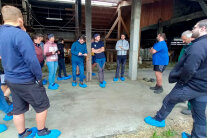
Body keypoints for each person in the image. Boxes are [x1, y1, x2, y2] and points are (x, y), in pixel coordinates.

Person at [0, 5, 61, 138]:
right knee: (42, 105)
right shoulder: (20, 35)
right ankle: (42, 132)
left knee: (18, 108)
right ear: (20, 19)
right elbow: (31, 60)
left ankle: (23, 134)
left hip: (11, 78)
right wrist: (39, 77)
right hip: (26, 78)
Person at [144, 19, 207, 138]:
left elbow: (189, 69)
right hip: (204, 88)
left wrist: (182, 82)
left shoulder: (199, 46)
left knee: (169, 100)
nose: (193, 29)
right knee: (199, 114)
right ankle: (199, 136)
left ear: (203, 29)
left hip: (191, 85)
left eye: (195, 27)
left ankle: (158, 119)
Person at [179, 30, 194, 115]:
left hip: (190, 73)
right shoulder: (187, 46)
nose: (183, 41)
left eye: (184, 39)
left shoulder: (194, 47)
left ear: (191, 38)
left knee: (190, 89)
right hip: (183, 70)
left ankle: (191, 108)